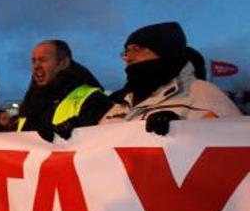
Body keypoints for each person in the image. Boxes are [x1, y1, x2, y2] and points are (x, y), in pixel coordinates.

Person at [101, 22, 241, 133]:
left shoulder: (203, 93)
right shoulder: (119, 103)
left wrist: (181, 128)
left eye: (136, 50)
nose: (128, 58)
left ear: (163, 51)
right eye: (126, 52)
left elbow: (234, 142)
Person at [17, 40, 112, 142]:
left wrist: (79, 129)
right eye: (34, 61)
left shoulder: (94, 99)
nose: (36, 66)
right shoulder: (29, 103)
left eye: (43, 60)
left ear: (64, 63)